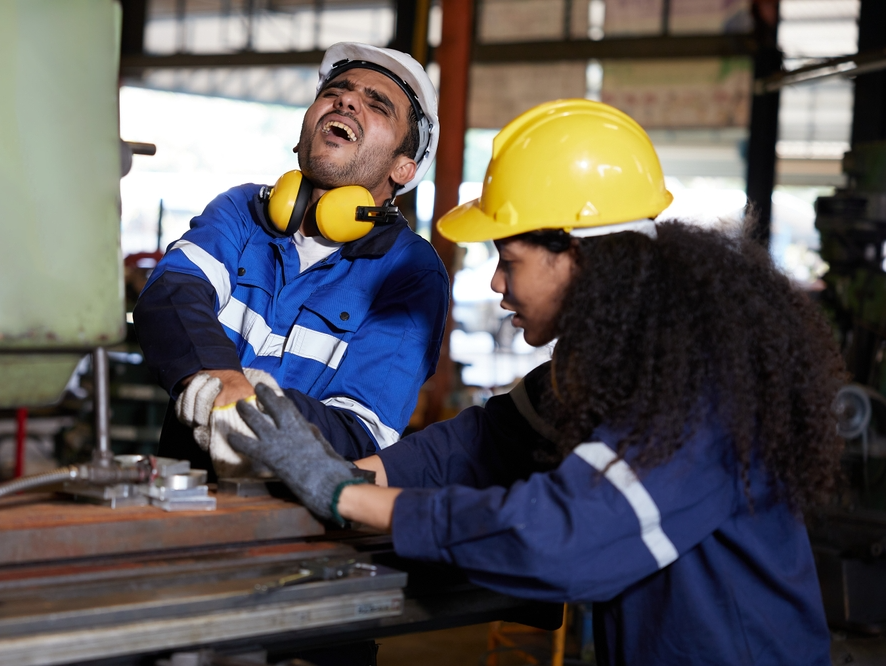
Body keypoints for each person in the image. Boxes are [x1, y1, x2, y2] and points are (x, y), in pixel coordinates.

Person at [227, 100, 845, 664]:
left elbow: (563, 540)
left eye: (509, 260)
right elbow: (479, 445)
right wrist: (328, 472)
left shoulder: (698, 390)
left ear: (580, 255)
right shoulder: (620, 363)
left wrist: (345, 495)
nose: (497, 285)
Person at [133, 43, 448, 476]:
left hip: (292, 529)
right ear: (302, 134)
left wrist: (253, 408)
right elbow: (171, 292)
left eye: (377, 105)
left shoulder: (411, 271)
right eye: (335, 90)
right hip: (181, 494)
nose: (347, 100)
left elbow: (362, 431)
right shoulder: (242, 210)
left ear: (403, 169)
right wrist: (226, 380)